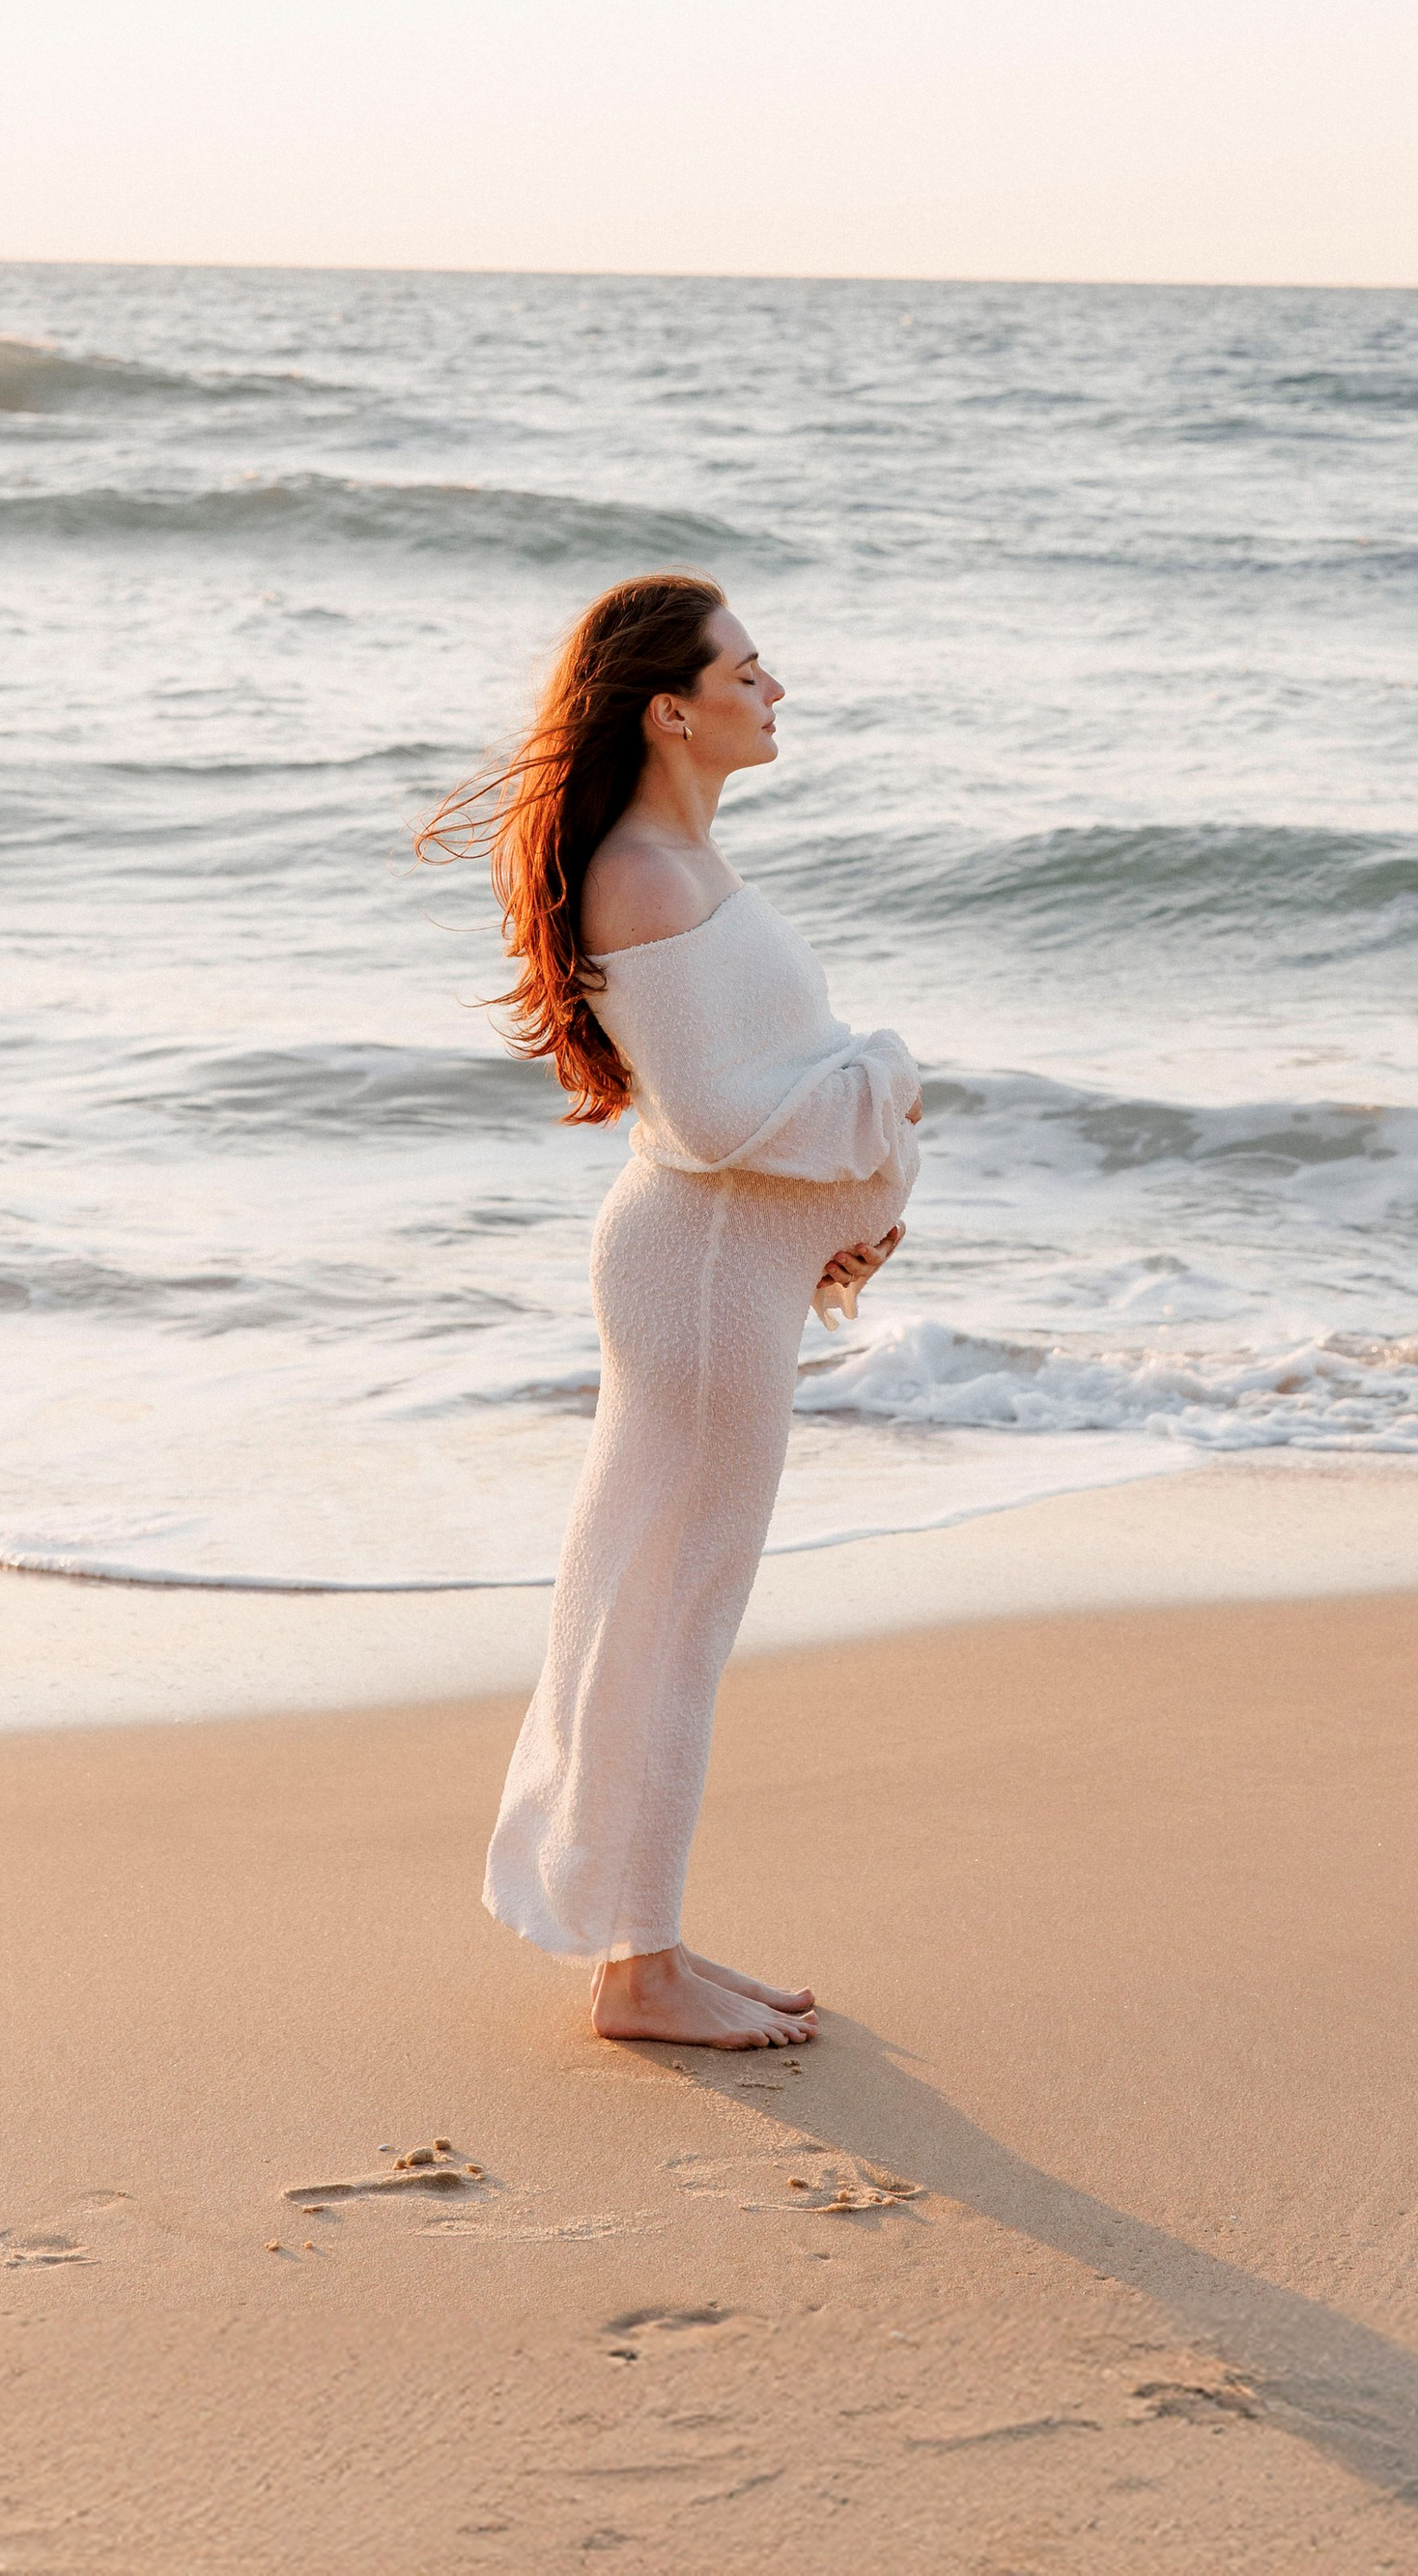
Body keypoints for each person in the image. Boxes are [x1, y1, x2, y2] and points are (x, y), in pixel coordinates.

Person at [419, 572, 922, 2049]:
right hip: (698, 1282)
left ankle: (646, 1942)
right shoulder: (644, 875)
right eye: (747, 671)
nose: (775, 691)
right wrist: (887, 1085)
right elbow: (712, 1122)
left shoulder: (684, 861)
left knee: (668, 1610)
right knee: (670, 1619)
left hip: (722, 1276)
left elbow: (751, 1096)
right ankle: (637, 1973)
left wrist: (848, 1202)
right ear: (671, 711)